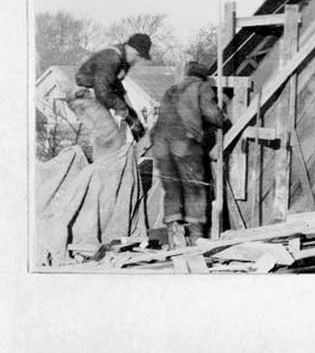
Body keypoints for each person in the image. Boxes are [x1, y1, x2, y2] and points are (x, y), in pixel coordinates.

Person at [152, 61, 228, 246]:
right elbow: (212, 115)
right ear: (202, 76)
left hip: (160, 144)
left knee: (172, 189)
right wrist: (224, 119)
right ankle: (196, 239)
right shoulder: (201, 87)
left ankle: (174, 238)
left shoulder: (171, 90)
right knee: (194, 188)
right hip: (183, 142)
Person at [70, 33, 151, 160]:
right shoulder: (112, 57)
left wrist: (133, 117)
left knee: (109, 138)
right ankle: (102, 175)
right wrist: (123, 110)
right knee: (110, 138)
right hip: (84, 95)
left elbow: (116, 86)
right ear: (129, 48)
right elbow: (102, 91)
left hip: (92, 95)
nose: (137, 60)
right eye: (138, 55)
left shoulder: (122, 62)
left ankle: (101, 170)